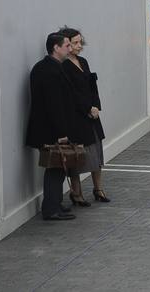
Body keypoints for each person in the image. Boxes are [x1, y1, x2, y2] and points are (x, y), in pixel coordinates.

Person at [25, 32, 78, 221]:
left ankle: (55, 203)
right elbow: (53, 105)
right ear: (56, 48)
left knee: (58, 168)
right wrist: (61, 132)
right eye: (67, 45)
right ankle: (51, 208)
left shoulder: (50, 67)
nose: (70, 49)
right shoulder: (48, 70)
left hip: (49, 128)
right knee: (55, 168)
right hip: (49, 131)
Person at [59, 27, 110, 205]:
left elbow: (92, 86)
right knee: (78, 155)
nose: (80, 46)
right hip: (77, 117)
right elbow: (71, 93)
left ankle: (98, 189)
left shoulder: (83, 61)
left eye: (80, 42)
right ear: (66, 44)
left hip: (92, 115)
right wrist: (88, 108)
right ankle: (76, 193)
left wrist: (96, 106)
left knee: (97, 152)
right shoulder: (64, 66)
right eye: (75, 43)